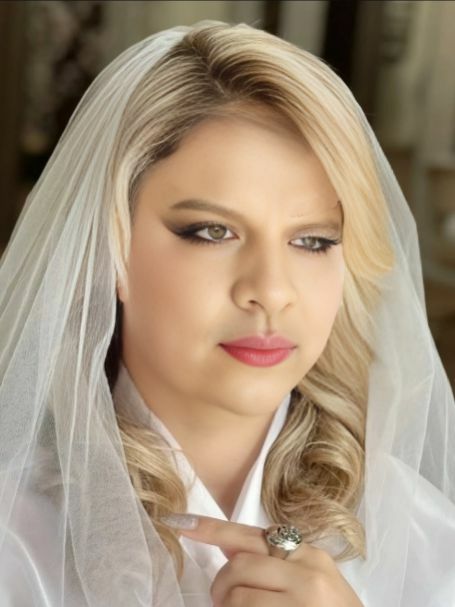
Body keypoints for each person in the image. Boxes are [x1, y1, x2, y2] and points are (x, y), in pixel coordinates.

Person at [0, 20, 454, 607]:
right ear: (110, 247)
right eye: (212, 232)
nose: (271, 291)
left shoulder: (422, 537)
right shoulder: (17, 539)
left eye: (314, 240)